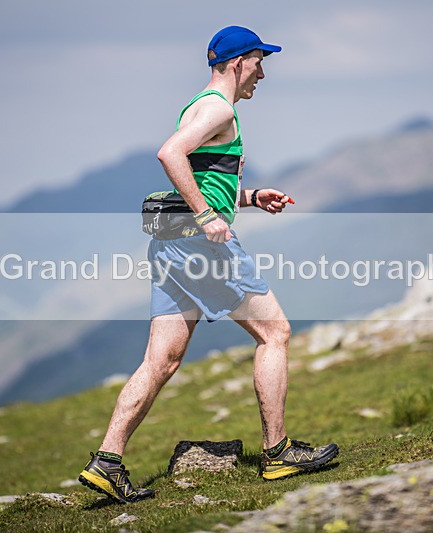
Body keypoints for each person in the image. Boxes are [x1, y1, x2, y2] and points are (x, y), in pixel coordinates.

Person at [78, 25, 338, 504]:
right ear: (239, 62)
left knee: (162, 360)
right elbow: (169, 153)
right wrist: (206, 217)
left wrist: (251, 197)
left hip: (170, 243)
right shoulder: (220, 108)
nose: (263, 73)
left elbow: (201, 178)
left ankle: (107, 462)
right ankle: (277, 453)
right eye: (260, 62)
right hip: (198, 242)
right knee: (275, 333)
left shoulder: (198, 104)